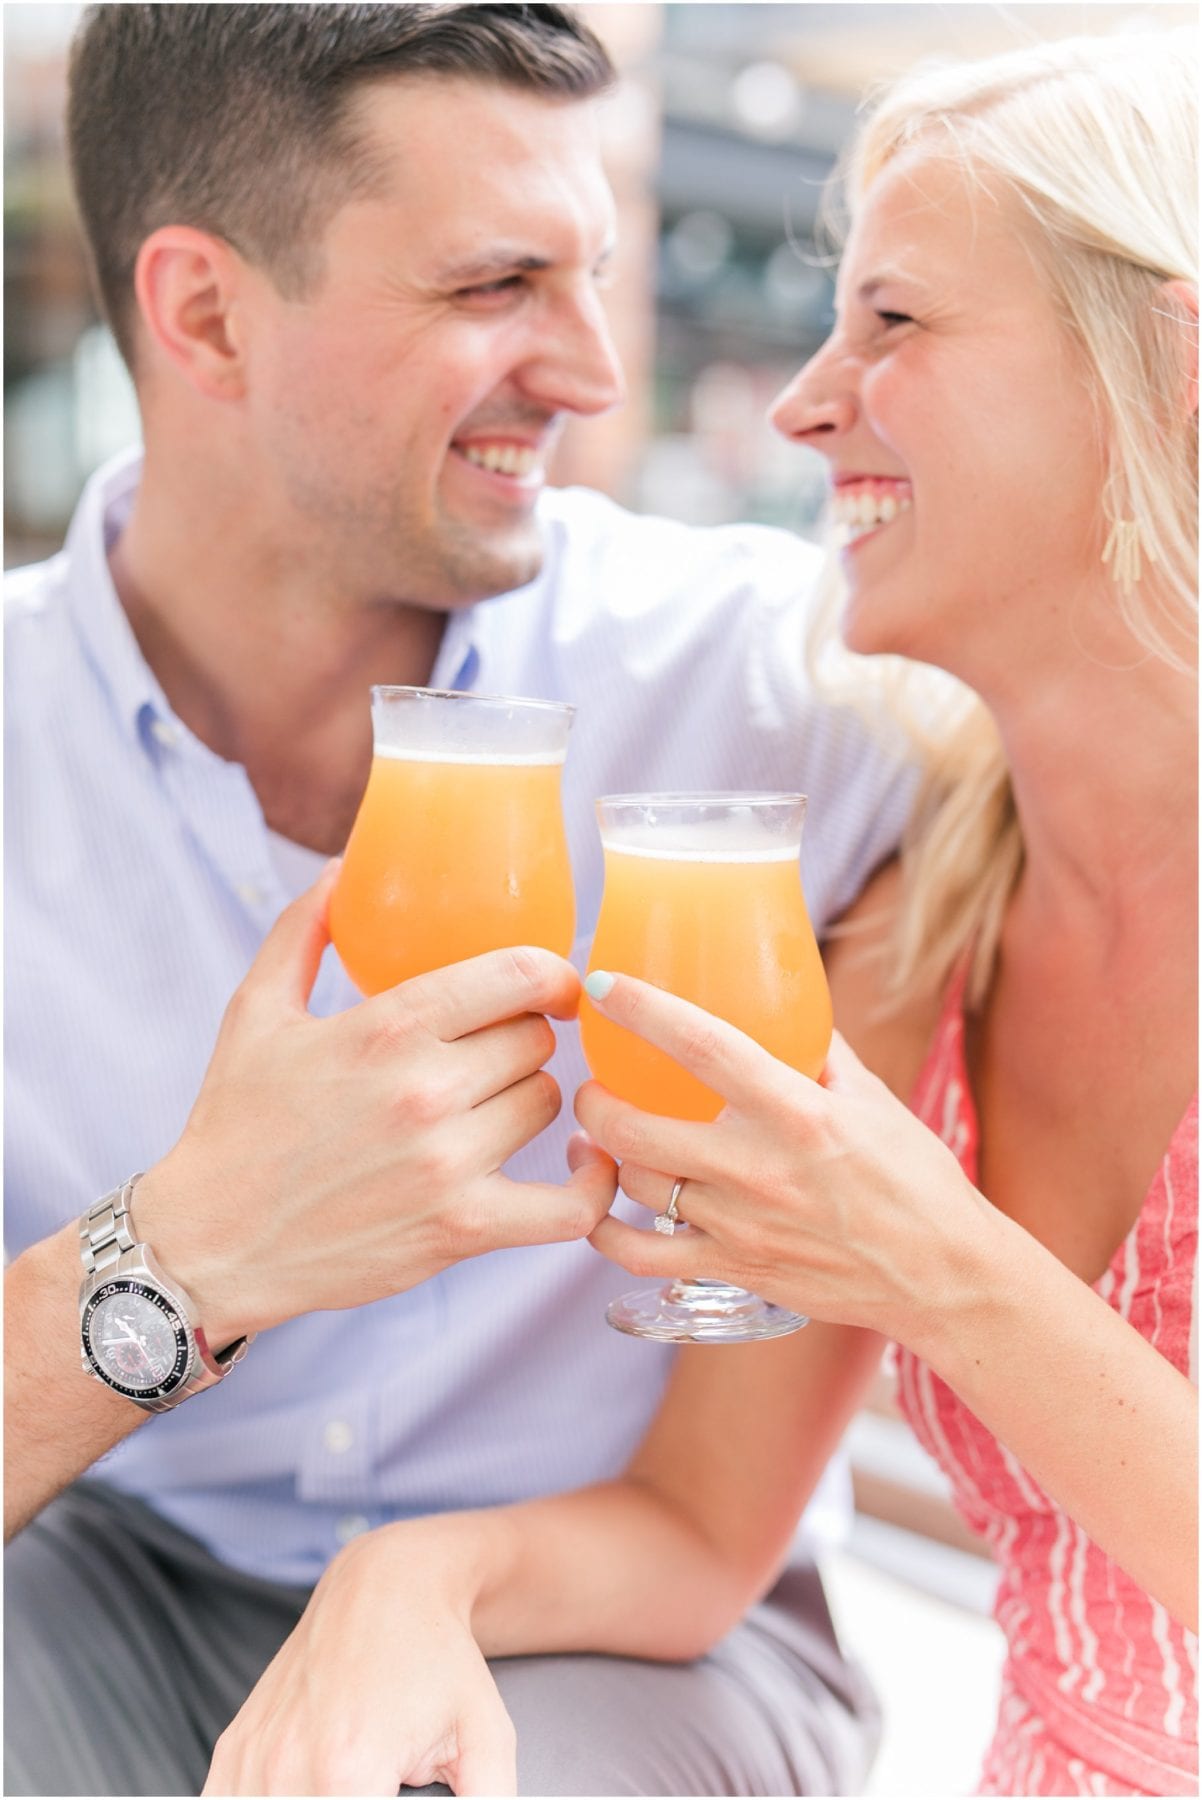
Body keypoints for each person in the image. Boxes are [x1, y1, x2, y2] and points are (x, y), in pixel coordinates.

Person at [197, 24, 1198, 1800]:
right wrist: (406, 1576)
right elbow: (697, 1530)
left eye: (891, 321)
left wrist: (948, 1278)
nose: (806, 401)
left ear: (1171, 370)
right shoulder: (910, 942)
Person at [4, 6, 916, 1797]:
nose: (589, 370)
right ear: (202, 314)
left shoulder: (784, 683)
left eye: (595, 271)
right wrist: (185, 1252)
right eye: (496, 282)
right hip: (103, 1571)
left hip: (629, 1627)